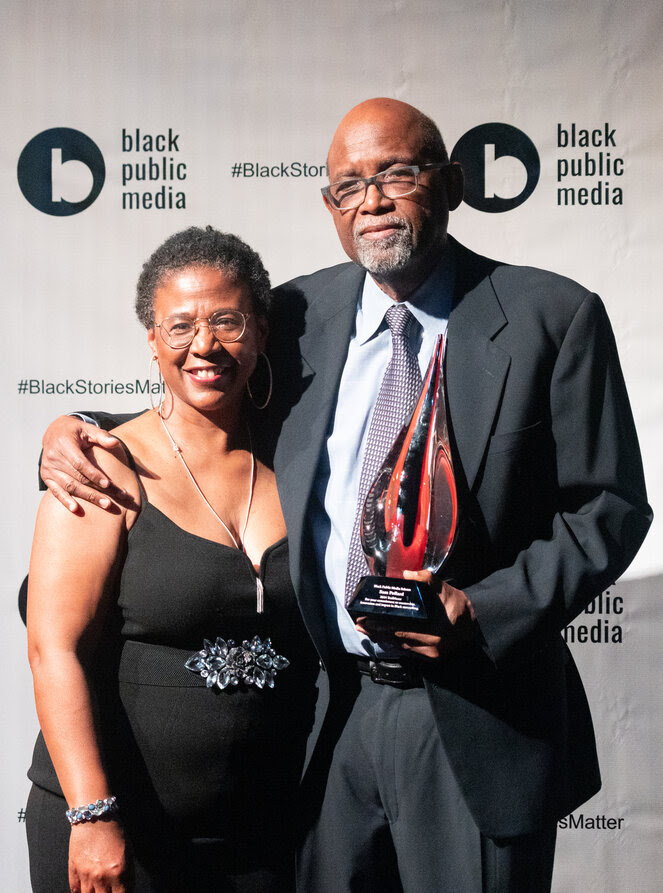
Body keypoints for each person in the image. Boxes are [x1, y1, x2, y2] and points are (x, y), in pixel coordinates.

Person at [40, 99, 652, 893]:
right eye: (347, 185)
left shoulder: (550, 315)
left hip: (471, 711)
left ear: (451, 183)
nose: (371, 200)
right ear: (328, 206)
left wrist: (485, 610)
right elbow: (200, 390)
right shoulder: (298, 315)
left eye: (396, 173)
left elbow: (606, 508)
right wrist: (76, 428)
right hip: (322, 716)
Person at [27, 226, 318, 893]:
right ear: (152, 340)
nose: (205, 344)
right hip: (122, 834)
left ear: (261, 333)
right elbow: (53, 649)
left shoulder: (300, 465)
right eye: (180, 325)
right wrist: (92, 814)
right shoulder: (103, 466)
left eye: (226, 320)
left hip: (263, 834)